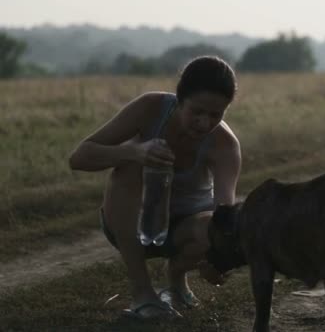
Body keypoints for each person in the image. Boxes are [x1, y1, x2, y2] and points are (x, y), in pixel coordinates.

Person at [69, 56, 241, 319]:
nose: (205, 123)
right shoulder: (150, 108)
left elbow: (224, 211)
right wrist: (135, 152)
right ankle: (143, 294)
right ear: (179, 99)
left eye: (215, 115)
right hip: (132, 225)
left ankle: (175, 278)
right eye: (197, 112)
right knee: (127, 167)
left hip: (185, 231)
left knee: (216, 227)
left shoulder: (225, 146)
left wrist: (217, 258)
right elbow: (79, 157)